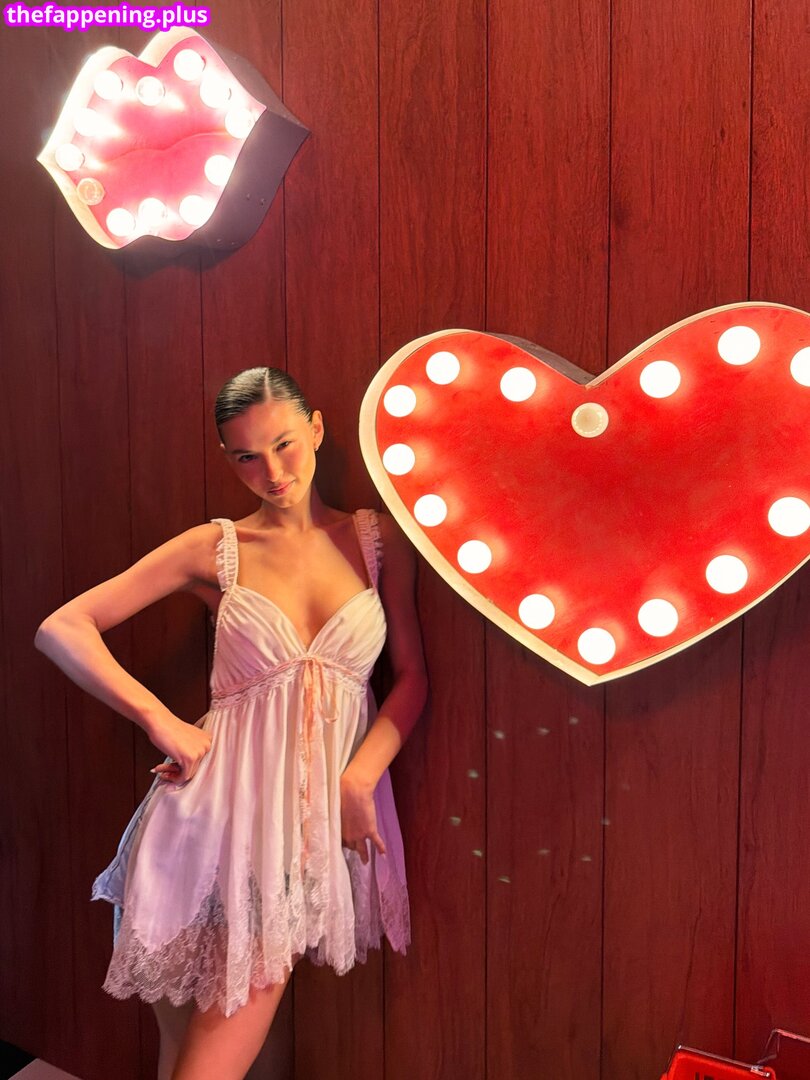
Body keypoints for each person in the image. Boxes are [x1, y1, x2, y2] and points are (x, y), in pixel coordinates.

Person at [34, 366, 428, 1080]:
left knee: (214, 1061)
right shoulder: (216, 548)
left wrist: (360, 777)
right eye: (247, 456)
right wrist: (161, 721)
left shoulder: (377, 541)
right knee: (193, 1064)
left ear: (316, 429)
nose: (272, 473)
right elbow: (63, 628)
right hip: (204, 825)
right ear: (226, 458)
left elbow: (412, 680)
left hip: (296, 836)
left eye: (284, 445)